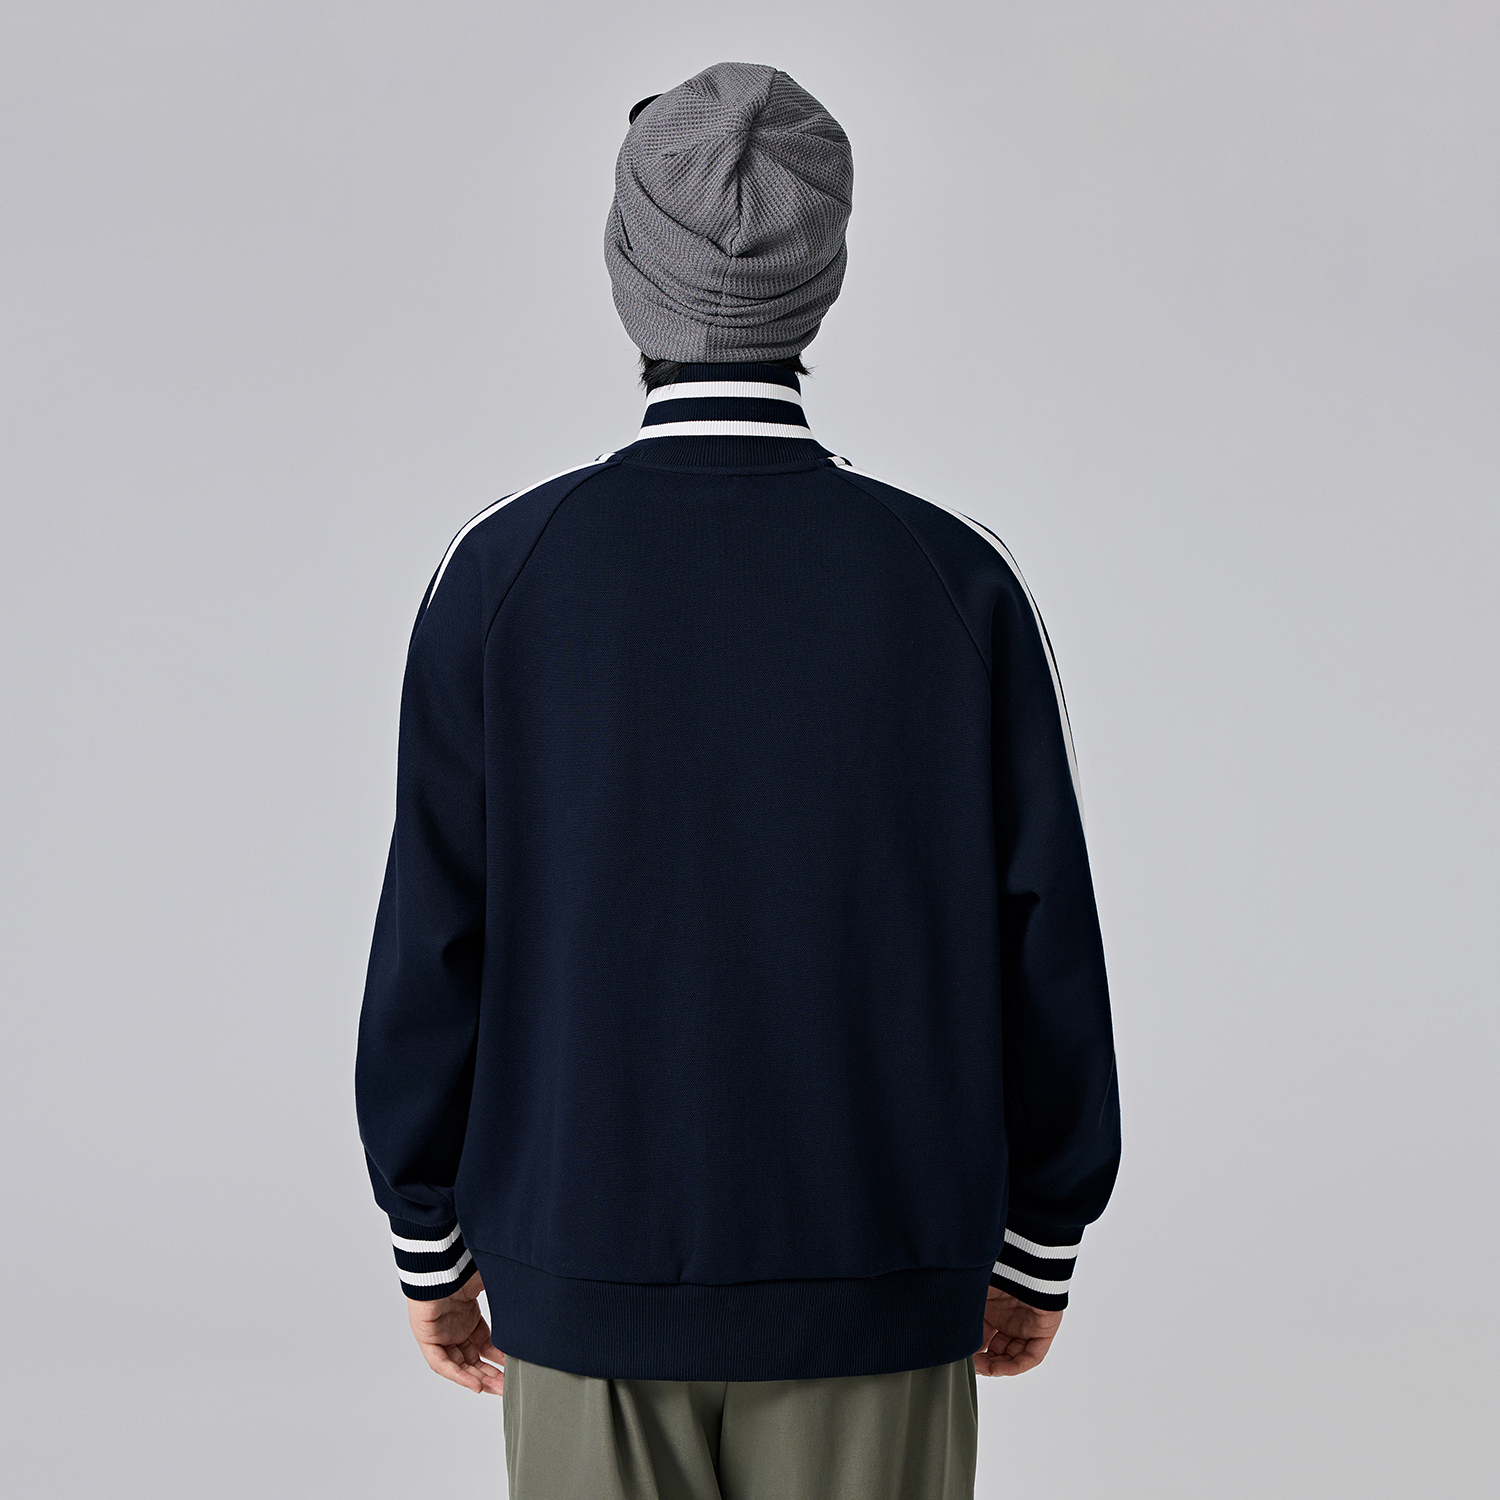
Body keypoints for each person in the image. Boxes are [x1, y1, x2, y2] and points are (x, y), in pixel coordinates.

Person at [354, 59, 1120, 1500]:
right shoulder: (953, 582)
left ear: (626, 268)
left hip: (582, 1269)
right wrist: (1039, 1243)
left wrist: (428, 1236)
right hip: (882, 1272)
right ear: (824, 275)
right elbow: (1047, 940)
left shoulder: (505, 577)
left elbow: (434, 937)